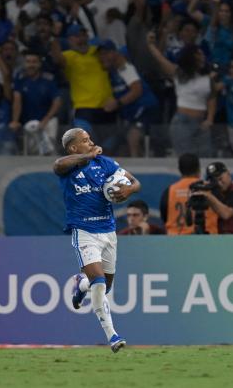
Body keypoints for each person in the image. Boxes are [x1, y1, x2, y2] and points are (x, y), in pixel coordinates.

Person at [53, 127, 141, 353]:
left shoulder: (105, 163)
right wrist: (87, 157)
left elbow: (135, 182)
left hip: (108, 231)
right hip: (84, 231)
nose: (91, 142)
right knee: (100, 283)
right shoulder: (67, 168)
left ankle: (81, 284)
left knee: (104, 285)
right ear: (74, 148)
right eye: (85, 140)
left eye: (90, 139)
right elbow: (57, 165)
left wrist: (128, 192)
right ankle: (112, 336)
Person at [159, 153, 218, 235]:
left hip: (176, 242)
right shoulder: (209, 189)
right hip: (206, 241)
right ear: (199, 169)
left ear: (179, 169)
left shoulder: (169, 191)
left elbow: (164, 217)